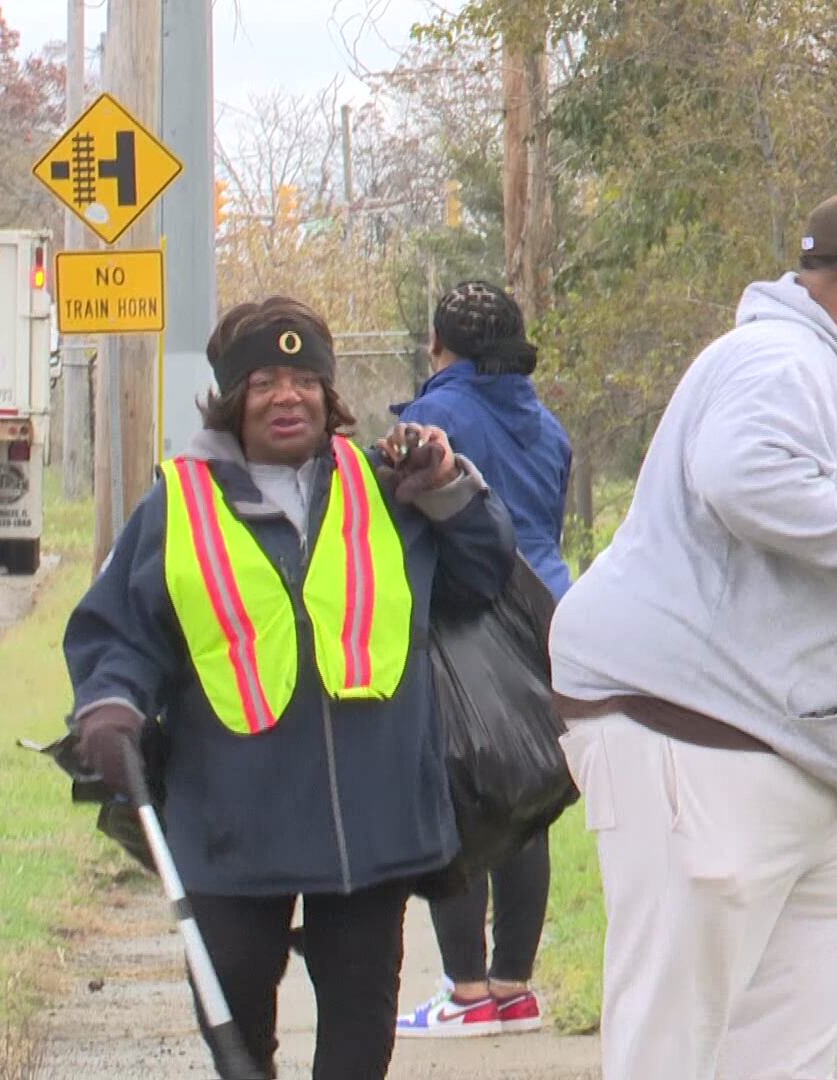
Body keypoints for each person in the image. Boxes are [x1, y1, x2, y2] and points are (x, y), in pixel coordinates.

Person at [548, 189, 837, 1080]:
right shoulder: (777, 359)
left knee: (784, 1047)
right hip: (695, 730)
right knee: (673, 1037)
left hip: (803, 759)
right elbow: (741, 476)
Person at [63, 297, 516, 1079]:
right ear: (231, 398)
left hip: (370, 832)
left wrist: (447, 491)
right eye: (265, 380)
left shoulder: (388, 485)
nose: (288, 396)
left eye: (306, 379)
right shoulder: (179, 504)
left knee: (359, 1038)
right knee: (234, 1027)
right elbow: (122, 633)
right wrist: (110, 704)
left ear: (329, 394)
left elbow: (483, 581)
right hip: (235, 825)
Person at [392, 280, 572, 1038]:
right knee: (525, 798)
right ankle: (514, 986)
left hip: (468, 619)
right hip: (552, 615)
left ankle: (466, 992)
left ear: (442, 345)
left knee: (457, 794)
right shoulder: (549, 424)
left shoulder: (439, 414)